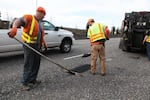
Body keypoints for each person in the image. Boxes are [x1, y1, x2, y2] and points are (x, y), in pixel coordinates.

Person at [8, 6, 47, 90]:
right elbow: (18, 21)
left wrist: (44, 43)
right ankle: (25, 83)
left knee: (36, 63)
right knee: (28, 64)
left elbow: (40, 34)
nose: (43, 17)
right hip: (29, 45)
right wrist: (14, 28)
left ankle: (32, 80)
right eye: (43, 15)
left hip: (37, 46)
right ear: (39, 12)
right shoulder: (29, 17)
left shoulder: (40, 22)